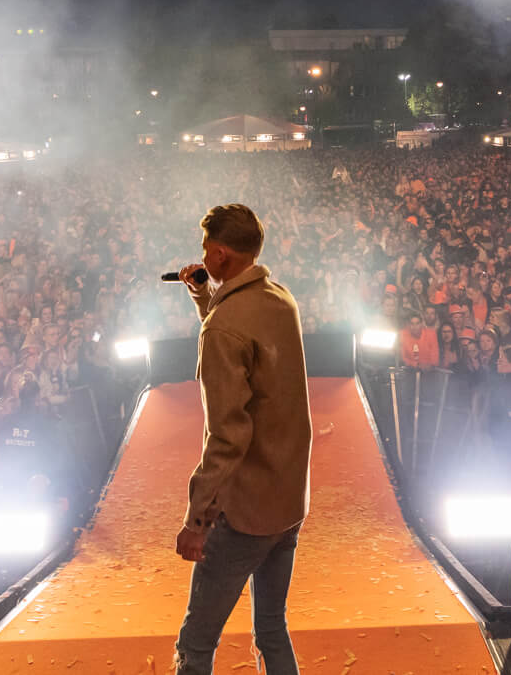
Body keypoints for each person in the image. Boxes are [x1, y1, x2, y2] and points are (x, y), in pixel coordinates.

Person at [172, 204, 311, 675]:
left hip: (244, 510)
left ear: (220, 253)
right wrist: (204, 297)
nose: (202, 258)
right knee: (271, 628)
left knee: (196, 642)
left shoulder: (224, 328)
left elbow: (227, 435)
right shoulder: (280, 297)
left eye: (207, 252)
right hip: (288, 500)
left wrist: (197, 520)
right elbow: (243, 337)